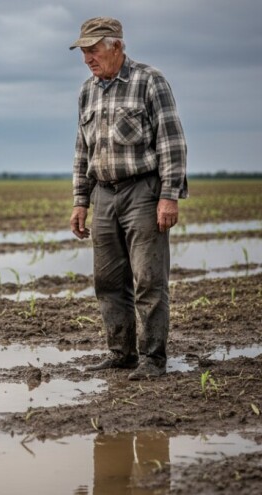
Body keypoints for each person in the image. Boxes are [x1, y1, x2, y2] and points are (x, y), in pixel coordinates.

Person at [68, 16, 187, 380]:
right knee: (108, 281)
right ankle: (121, 354)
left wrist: (169, 196)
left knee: (149, 279)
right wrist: (80, 200)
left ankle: (153, 359)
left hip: (142, 191)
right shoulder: (87, 90)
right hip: (104, 193)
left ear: (116, 45)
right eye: (83, 51)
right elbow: (82, 151)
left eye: (93, 49)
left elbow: (172, 141)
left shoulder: (149, 81)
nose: (87, 57)